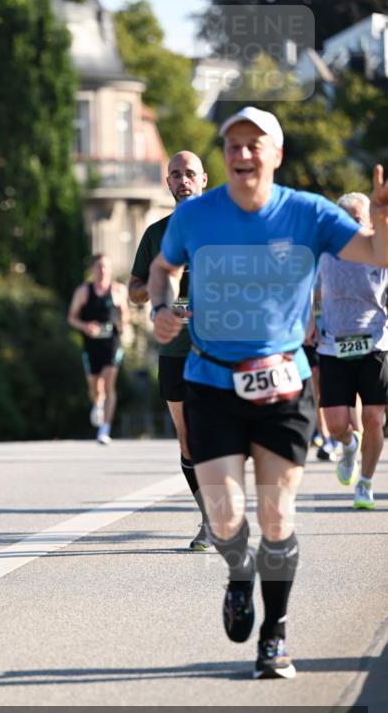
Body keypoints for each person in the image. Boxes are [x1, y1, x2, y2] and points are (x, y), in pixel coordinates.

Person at [148, 106, 388, 680]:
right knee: (228, 518)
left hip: (282, 383)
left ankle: (274, 635)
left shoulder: (308, 213)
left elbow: (377, 256)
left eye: (256, 144)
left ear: (276, 155)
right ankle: (238, 573)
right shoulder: (196, 215)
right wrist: (161, 306)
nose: (243, 153)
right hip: (209, 381)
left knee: (277, 517)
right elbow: (163, 268)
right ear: (224, 155)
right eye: (234, 144)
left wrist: (381, 216)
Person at [129, 151, 212, 550]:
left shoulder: (223, 228)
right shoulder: (156, 234)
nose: (183, 180)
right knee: (187, 437)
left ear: (204, 180)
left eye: (190, 174)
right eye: (176, 175)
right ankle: (209, 517)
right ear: (168, 183)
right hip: (175, 348)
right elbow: (133, 293)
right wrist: (163, 292)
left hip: (221, 348)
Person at [316, 192, 388, 509]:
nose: (351, 226)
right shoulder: (325, 254)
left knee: (373, 416)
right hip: (334, 345)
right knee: (335, 425)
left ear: (369, 222)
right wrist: (307, 323)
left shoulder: (381, 253)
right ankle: (347, 445)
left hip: (375, 342)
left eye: (357, 219)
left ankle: (366, 484)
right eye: (344, 219)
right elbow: (309, 290)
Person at [68, 254, 129, 445]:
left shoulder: (118, 290)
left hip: (112, 341)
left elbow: (124, 314)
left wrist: (124, 327)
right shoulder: (83, 292)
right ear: (92, 270)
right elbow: (71, 317)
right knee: (95, 387)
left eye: (105, 267)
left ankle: (105, 429)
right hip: (91, 343)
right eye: (98, 267)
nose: (102, 271)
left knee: (109, 381)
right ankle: (97, 402)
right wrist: (85, 326)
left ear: (110, 269)